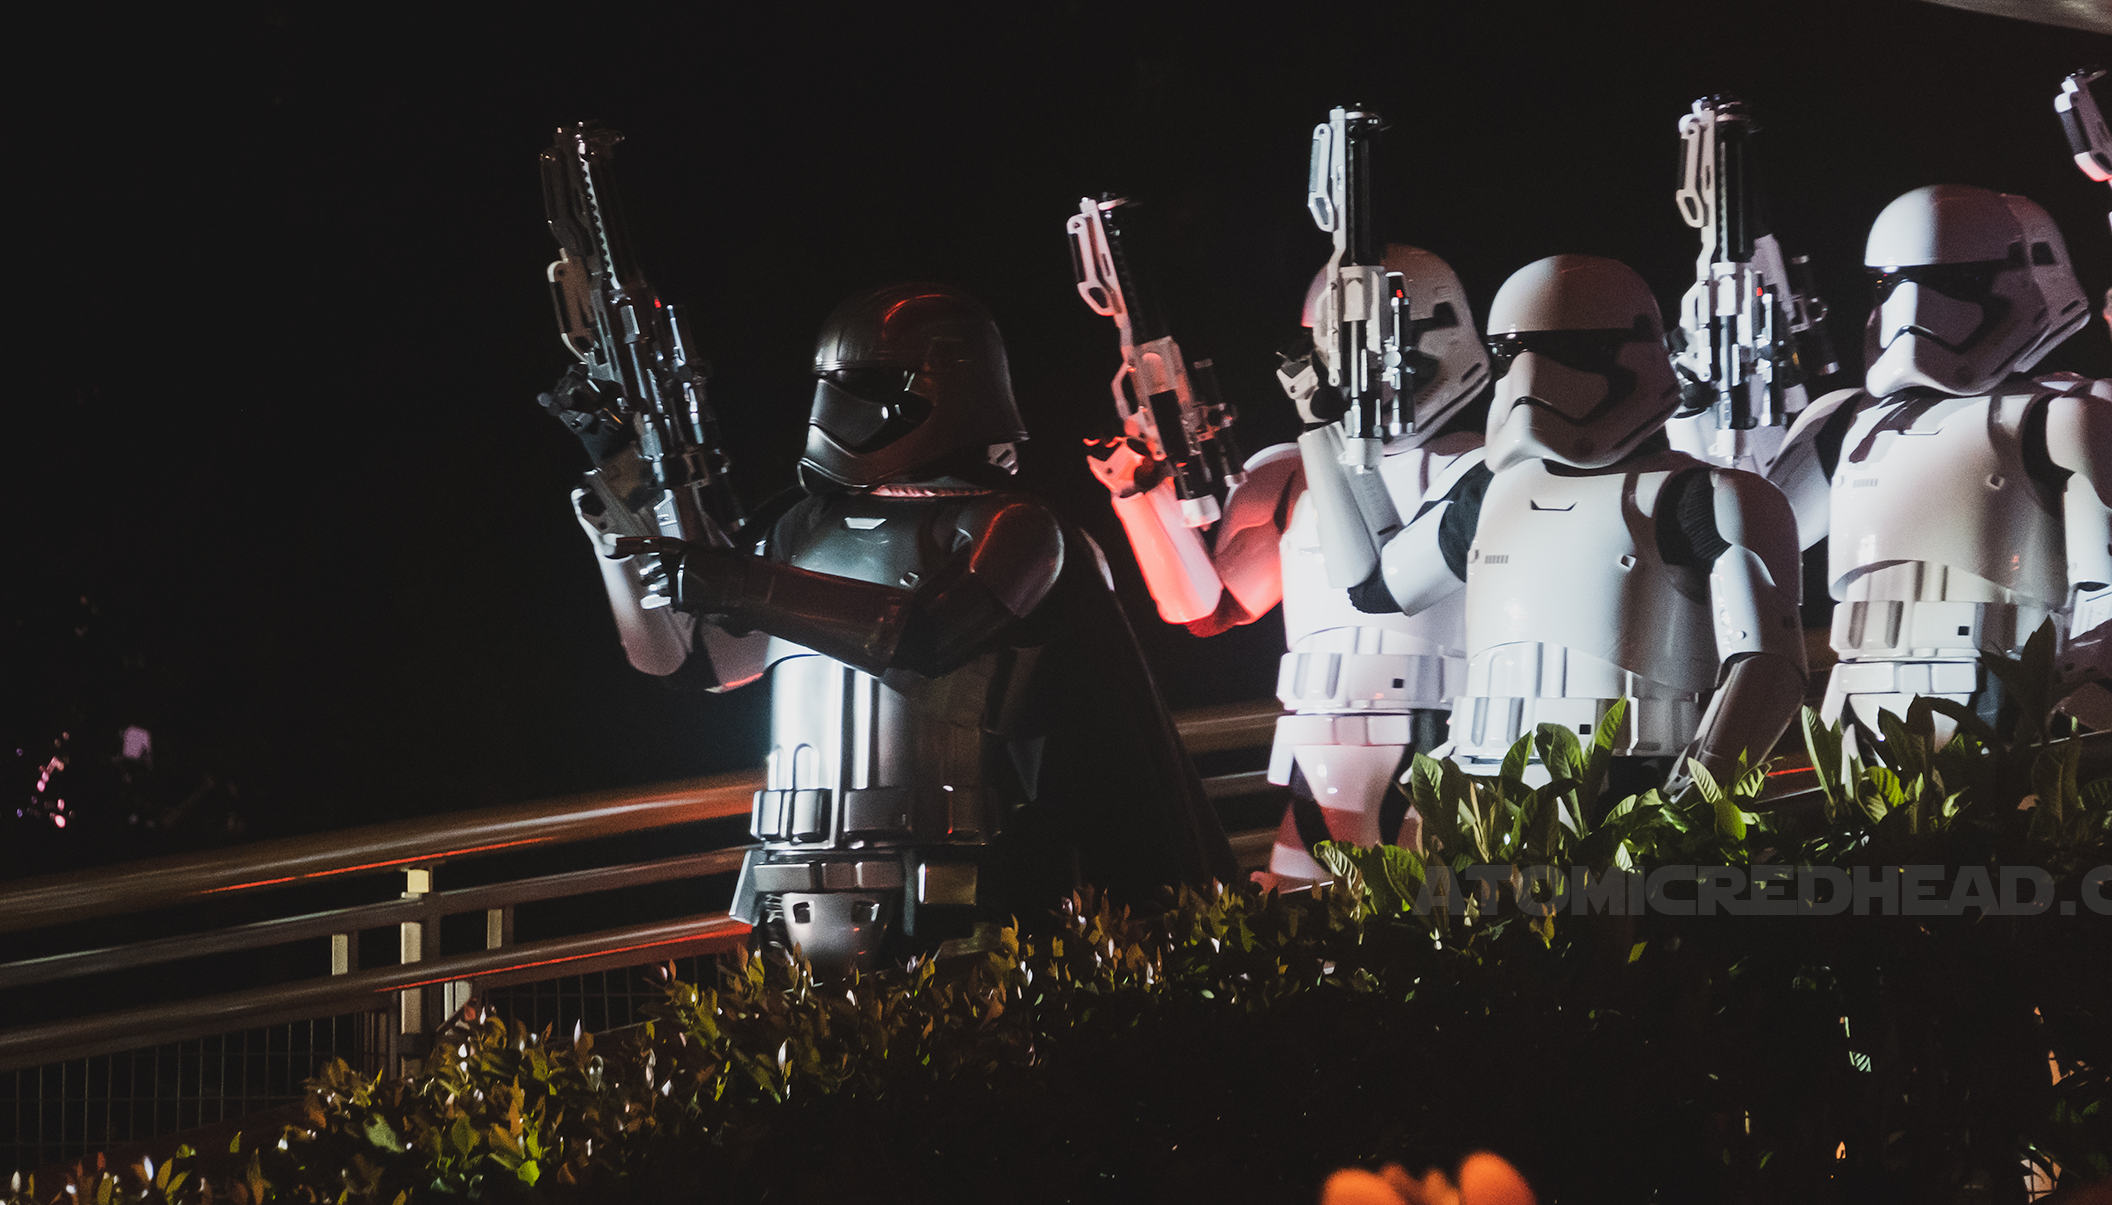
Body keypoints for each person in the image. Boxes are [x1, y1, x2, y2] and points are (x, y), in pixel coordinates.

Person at [573, 282, 1233, 971]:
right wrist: (619, 515)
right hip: (791, 879)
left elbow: (931, 637)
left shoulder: (1015, 526)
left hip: (965, 884)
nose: (835, 408)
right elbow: (696, 663)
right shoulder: (803, 525)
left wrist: (739, 583)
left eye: (860, 386)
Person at [1327, 254, 1811, 791]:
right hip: (1484, 779)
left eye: (1567, 352)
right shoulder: (1486, 492)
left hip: (1634, 781)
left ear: (1635, 353)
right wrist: (1325, 430)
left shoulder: (1706, 497)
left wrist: (1688, 799)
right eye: (1512, 352)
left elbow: (1768, 669)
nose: (1532, 376)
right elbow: (1373, 588)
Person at [1089, 246, 1490, 889]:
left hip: (1449, 752)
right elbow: (1208, 608)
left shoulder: (1489, 468)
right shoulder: (1291, 472)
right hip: (1316, 764)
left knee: (1436, 957)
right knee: (1301, 968)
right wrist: (1140, 495)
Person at [1767, 185, 2112, 741]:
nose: (1911, 308)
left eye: (1954, 284)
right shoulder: (1840, 421)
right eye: (1889, 283)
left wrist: (2081, 721)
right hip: (1859, 699)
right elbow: (1756, 536)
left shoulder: (2068, 418)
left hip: (2004, 701)